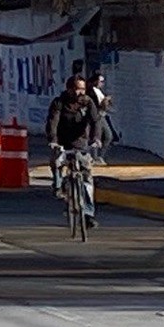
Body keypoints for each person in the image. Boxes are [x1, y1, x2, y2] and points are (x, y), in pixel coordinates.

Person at [46, 75, 102, 227]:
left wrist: (96, 139)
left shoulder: (87, 102)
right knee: (56, 161)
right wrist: (53, 141)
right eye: (77, 89)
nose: (80, 92)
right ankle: (58, 185)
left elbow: (95, 121)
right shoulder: (59, 102)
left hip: (81, 143)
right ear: (69, 89)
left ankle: (89, 214)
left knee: (87, 179)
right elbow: (53, 122)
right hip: (62, 142)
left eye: (82, 89)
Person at [87, 72, 119, 164]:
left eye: (103, 81)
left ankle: (100, 156)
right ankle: (94, 157)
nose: (102, 83)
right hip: (96, 116)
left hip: (102, 115)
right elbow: (94, 105)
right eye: (101, 81)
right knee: (97, 136)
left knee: (108, 136)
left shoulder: (99, 91)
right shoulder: (91, 92)